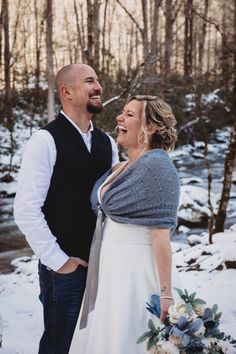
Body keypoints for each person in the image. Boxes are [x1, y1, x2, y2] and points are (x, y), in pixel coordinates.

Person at [13, 64, 119, 354]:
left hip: (103, 267)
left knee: (95, 344)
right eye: (89, 81)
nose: (98, 86)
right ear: (66, 92)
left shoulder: (107, 143)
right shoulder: (44, 141)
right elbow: (25, 210)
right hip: (64, 271)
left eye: (98, 80)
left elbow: (111, 207)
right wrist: (59, 261)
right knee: (60, 346)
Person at [69, 95, 181, 354]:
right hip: (109, 268)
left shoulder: (157, 166)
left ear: (150, 127)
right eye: (122, 112)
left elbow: (161, 236)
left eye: (129, 114)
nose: (119, 118)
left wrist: (166, 293)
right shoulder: (121, 166)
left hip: (134, 272)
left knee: (128, 338)